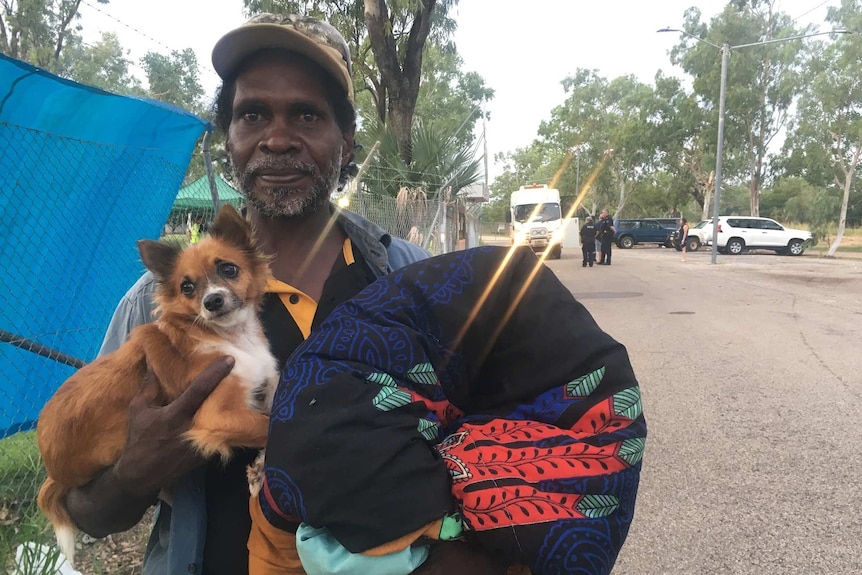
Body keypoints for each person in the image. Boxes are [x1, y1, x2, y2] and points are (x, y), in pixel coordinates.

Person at [62, 14, 505, 575]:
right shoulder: (161, 314)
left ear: (345, 143)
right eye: (253, 115)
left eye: (306, 114)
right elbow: (88, 511)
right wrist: (136, 470)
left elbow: (486, 448)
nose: (277, 138)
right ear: (230, 139)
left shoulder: (414, 284)